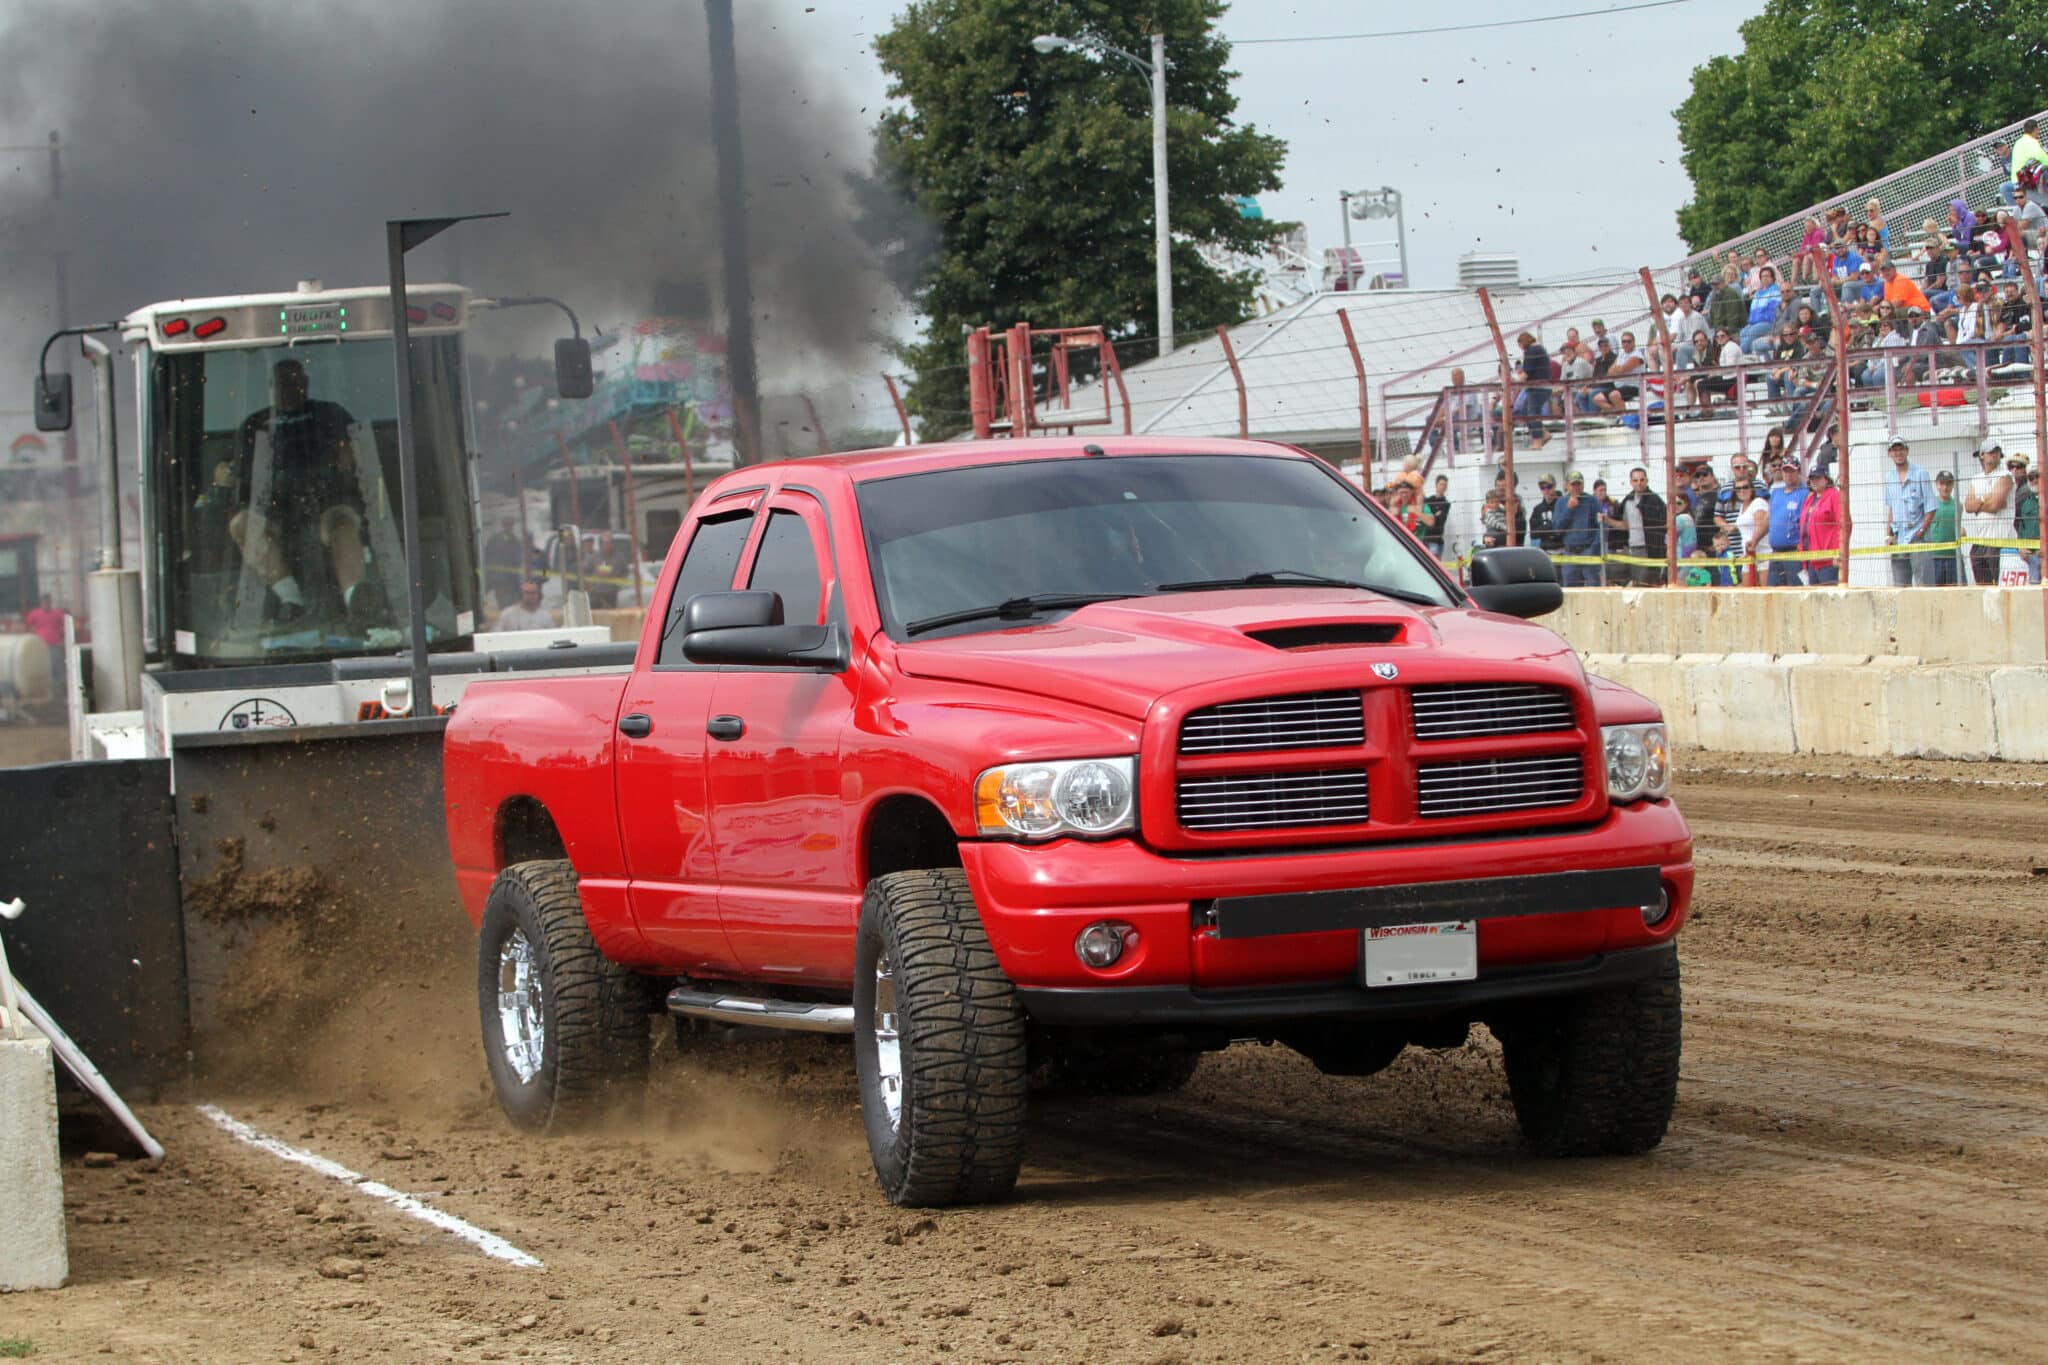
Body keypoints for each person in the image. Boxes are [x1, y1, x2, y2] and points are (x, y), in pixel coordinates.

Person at [231, 358, 363, 620]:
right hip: (273, 511)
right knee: (241, 523)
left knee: (342, 525)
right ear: (271, 386)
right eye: (282, 383)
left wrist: (348, 456)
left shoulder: (331, 414)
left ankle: (358, 602)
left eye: (295, 381)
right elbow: (230, 470)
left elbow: (356, 451)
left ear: (306, 383)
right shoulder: (254, 424)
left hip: (328, 504)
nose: (289, 388)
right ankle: (291, 600)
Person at [1882, 438, 1938, 586]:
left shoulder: (1921, 474)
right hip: (1899, 537)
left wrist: (1922, 530)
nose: (1898, 453)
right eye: (1895, 450)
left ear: (1907, 451)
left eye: (1901, 449)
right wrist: (1888, 534)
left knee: (1924, 584)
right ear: (1890, 453)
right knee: (1900, 586)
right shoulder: (1889, 477)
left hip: (1918, 538)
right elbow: (1891, 507)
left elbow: (1931, 507)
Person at [1961, 442, 2015, 585]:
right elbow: (1968, 506)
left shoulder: (2005, 475)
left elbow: (1996, 505)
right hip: (1981, 540)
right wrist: (1986, 498)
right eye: (1990, 451)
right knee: (1982, 586)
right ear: (1982, 455)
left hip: (2001, 540)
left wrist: (1978, 504)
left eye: (1997, 451)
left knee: (2000, 585)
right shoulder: (1976, 478)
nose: (1994, 454)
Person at [1607, 466, 1666, 586]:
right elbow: (1625, 525)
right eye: (1635, 480)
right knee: (1621, 579)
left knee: (1645, 584)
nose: (1639, 483)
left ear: (1647, 481)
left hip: (1648, 550)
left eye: (1642, 480)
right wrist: (1607, 520)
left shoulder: (1655, 501)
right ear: (1630, 482)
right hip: (1630, 549)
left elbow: (1663, 525)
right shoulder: (1627, 501)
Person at [1763, 457, 1808, 586]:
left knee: (1796, 590)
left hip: (1794, 552)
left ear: (1798, 472)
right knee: (1773, 591)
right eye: (1785, 471)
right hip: (1776, 552)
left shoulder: (1805, 493)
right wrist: (1754, 540)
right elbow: (1767, 519)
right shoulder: (1776, 493)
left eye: (1792, 471)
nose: (1788, 474)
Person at [1556, 472, 1600, 587]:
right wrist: (1569, 509)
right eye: (1573, 484)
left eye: (1579, 484)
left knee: (1593, 587)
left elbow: (1601, 526)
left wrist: (1594, 547)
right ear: (1566, 485)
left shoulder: (1592, 501)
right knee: (1570, 590)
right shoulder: (1561, 503)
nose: (1576, 487)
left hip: (1588, 551)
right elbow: (1557, 529)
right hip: (1569, 552)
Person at [1800, 467, 1843, 585]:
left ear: (1826, 479)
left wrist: (1839, 552)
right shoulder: (1810, 499)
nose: (1814, 481)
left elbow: (1842, 525)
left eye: (1818, 478)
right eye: (1812, 478)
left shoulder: (1833, 495)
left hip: (1827, 560)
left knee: (1828, 598)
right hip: (1810, 560)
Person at [484, 515, 533, 611]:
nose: (510, 527)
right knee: (508, 601)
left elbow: (487, 556)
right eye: (509, 524)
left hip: (500, 577)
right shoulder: (512, 539)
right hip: (506, 578)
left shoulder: (496, 538)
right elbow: (517, 559)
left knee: (504, 600)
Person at [1516, 332, 1552, 447]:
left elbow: (1527, 372)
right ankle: (1543, 433)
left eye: (1520, 345)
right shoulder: (1540, 349)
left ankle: (1537, 439)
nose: (1521, 349)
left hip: (1537, 388)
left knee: (1532, 413)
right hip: (1542, 387)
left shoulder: (1531, 351)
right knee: (1524, 410)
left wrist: (1515, 381)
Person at [1740, 266, 1784, 355]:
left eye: (1768, 276)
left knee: (1750, 334)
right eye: (1763, 276)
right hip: (1755, 323)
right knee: (1743, 332)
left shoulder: (1775, 291)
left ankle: (1743, 355)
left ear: (1772, 278)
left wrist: (1758, 320)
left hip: (1768, 322)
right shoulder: (1758, 293)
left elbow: (1773, 311)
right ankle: (1748, 356)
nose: (1765, 278)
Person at [1928, 471, 1961, 585]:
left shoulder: (1958, 505)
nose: (1945, 487)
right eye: (1942, 483)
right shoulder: (1930, 504)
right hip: (1935, 556)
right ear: (1937, 484)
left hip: (1953, 556)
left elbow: (1959, 527)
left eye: (1948, 484)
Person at [1528, 474, 1563, 552]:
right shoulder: (1538, 509)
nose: (1546, 490)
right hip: (1545, 549)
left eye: (1549, 487)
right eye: (1542, 488)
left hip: (1563, 548)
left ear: (1554, 486)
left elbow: (1564, 527)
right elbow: (1533, 534)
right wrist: (1551, 525)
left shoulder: (1563, 504)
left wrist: (1544, 528)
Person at [1422, 474, 1451, 559]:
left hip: (1437, 539)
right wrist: (1434, 515)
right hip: (1427, 538)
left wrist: (1431, 515)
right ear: (1436, 485)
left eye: (1445, 485)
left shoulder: (1446, 503)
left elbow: (1440, 520)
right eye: (1441, 484)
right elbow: (1424, 517)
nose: (1443, 487)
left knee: (1435, 564)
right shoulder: (1429, 500)